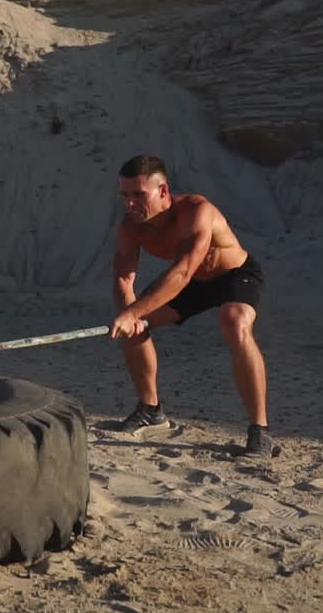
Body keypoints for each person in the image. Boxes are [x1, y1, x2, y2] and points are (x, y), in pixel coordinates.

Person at [107, 154, 275, 458]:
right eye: (125, 195)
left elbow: (183, 270)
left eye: (138, 194)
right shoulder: (130, 227)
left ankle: (260, 431)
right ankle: (150, 409)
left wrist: (134, 312)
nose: (130, 203)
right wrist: (129, 315)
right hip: (190, 283)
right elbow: (122, 277)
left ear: (163, 191)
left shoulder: (197, 211)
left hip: (233, 275)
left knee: (234, 322)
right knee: (135, 327)